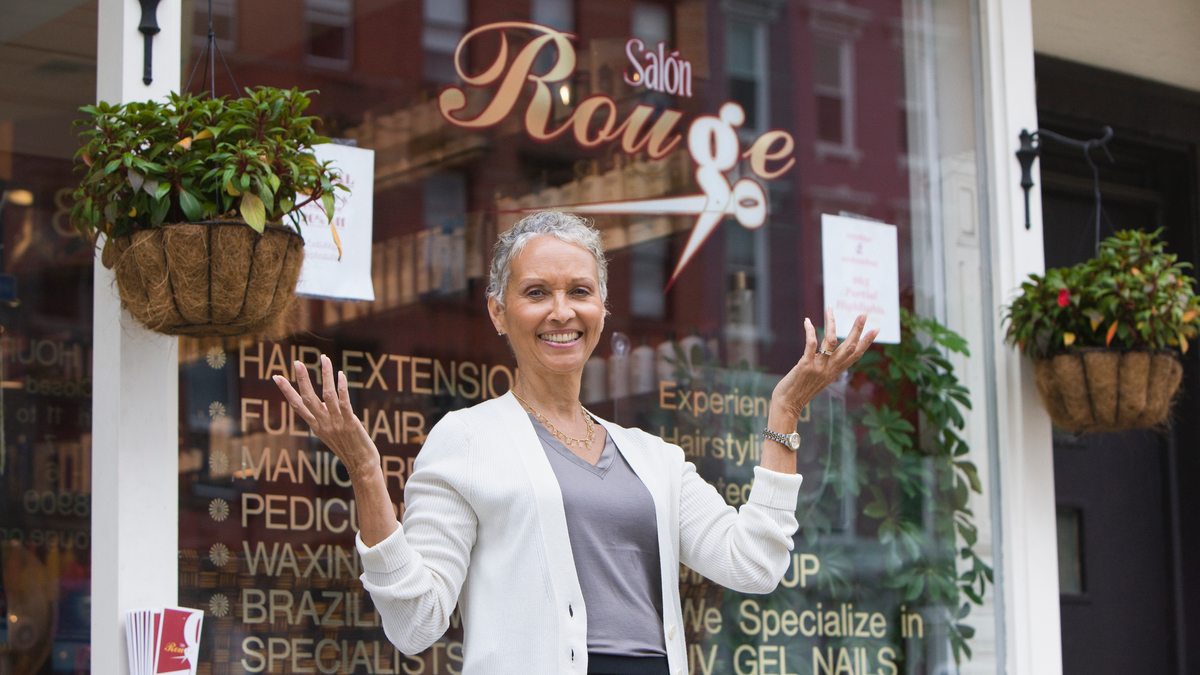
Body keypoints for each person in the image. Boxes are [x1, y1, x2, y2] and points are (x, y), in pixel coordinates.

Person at [273, 212, 878, 675]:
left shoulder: (653, 457)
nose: (561, 312)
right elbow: (414, 622)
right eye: (536, 292)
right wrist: (366, 474)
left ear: (603, 308)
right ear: (499, 312)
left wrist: (786, 410)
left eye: (579, 291)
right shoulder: (466, 439)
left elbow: (754, 563)